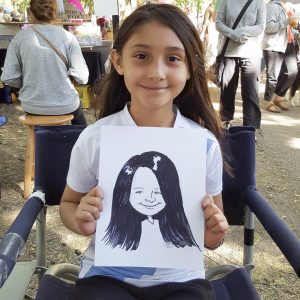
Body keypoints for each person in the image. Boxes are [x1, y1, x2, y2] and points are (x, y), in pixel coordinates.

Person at [59, 4, 228, 299]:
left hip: (182, 279)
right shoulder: (96, 139)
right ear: (118, 61)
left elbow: (211, 231)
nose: (156, 72)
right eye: (141, 56)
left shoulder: (203, 145)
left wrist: (213, 235)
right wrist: (80, 219)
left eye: (173, 58)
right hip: (106, 276)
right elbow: (69, 204)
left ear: (190, 68)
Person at [1, 0, 89, 125]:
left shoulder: (19, 38)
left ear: (31, 12)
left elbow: (8, 77)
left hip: (32, 105)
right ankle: (81, 140)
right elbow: (82, 77)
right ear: (56, 12)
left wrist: (28, 84)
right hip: (66, 103)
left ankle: (39, 141)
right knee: (81, 125)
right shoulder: (68, 37)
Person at [103, 151, 200, 251]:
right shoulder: (117, 239)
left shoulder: (178, 238)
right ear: (125, 192)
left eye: (158, 192)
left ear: (171, 193)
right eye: (139, 191)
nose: (150, 198)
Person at [215, 0, 266, 129]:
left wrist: (241, 31)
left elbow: (260, 27)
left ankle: (250, 128)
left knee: (251, 91)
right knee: (227, 89)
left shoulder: (259, 2)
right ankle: (226, 120)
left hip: (251, 52)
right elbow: (218, 23)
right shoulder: (226, 1)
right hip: (229, 52)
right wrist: (233, 34)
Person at [262, 0, 298, 113]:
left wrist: (296, 33)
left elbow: (287, 28)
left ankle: (278, 96)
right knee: (273, 75)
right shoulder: (272, 7)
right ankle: (269, 101)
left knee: (292, 71)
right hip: (274, 44)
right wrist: (287, 21)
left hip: (288, 43)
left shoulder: (286, 7)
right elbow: (267, 27)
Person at [200, 0, 218, 66]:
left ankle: (207, 67)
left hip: (212, 30)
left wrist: (202, 33)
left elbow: (205, 23)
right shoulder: (223, 8)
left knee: (209, 49)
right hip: (219, 31)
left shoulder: (209, 9)